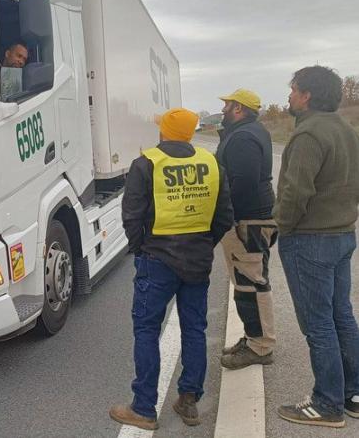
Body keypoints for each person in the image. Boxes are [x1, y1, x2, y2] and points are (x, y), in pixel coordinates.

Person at [110, 108, 234, 430]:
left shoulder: (146, 163)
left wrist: (140, 249)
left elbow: (132, 216)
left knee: (147, 330)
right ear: (191, 133)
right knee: (195, 329)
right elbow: (223, 217)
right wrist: (204, 244)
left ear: (163, 132)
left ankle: (144, 409)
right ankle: (189, 400)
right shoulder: (210, 163)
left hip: (157, 261)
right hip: (197, 260)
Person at [274, 66, 359, 428]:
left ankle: (327, 404)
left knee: (318, 323)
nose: (290, 95)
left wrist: (282, 228)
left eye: (293, 90)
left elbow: (296, 193)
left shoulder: (307, 134)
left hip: (310, 240)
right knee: (342, 315)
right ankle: (353, 394)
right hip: (342, 234)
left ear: (307, 95)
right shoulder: (346, 130)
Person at [215, 89, 278, 370]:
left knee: (251, 282)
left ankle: (261, 347)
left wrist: (227, 215)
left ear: (238, 108)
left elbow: (244, 181)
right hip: (252, 218)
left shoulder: (242, 137)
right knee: (247, 281)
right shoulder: (251, 131)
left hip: (247, 220)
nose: (224, 109)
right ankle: (254, 337)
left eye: (227, 105)